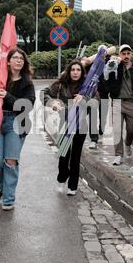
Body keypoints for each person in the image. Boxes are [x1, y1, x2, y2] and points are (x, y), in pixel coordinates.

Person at [0, 48, 36, 211]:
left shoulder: (27, 83)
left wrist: (8, 97)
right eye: (15, 58)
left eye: (21, 58)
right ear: (8, 61)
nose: (19, 60)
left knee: (10, 161)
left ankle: (9, 199)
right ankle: (1, 186)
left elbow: (28, 105)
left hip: (16, 122)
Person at [43, 59, 88, 196]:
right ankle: (62, 177)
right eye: (73, 69)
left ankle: (72, 186)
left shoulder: (87, 86)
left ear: (82, 72)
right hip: (64, 123)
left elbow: (96, 100)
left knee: (75, 157)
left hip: (81, 124)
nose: (75, 72)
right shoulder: (61, 84)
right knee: (64, 155)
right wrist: (53, 103)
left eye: (78, 70)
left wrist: (84, 98)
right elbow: (44, 93)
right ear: (69, 71)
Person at [105, 44, 133, 166]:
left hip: (132, 103)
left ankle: (128, 144)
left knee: (131, 130)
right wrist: (112, 65)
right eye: (123, 54)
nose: (126, 56)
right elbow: (107, 78)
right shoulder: (115, 66)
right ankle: (118, 155)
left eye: (128, 53)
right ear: (120, 55)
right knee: (117, 130)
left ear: (131, 54)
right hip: (117, 102)